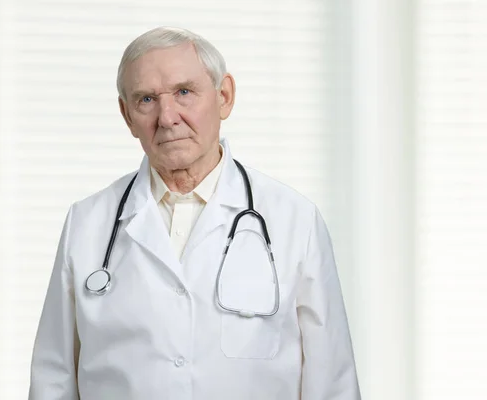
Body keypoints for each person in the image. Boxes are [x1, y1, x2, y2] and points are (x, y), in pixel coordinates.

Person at [28, 26, 361, 400]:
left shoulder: (294, 220)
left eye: (184, 92)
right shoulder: (87, 223)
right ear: (126, 115)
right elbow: (52, 378)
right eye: (146, 100)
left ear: (224, 97)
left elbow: (332, 381)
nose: (167, 117)